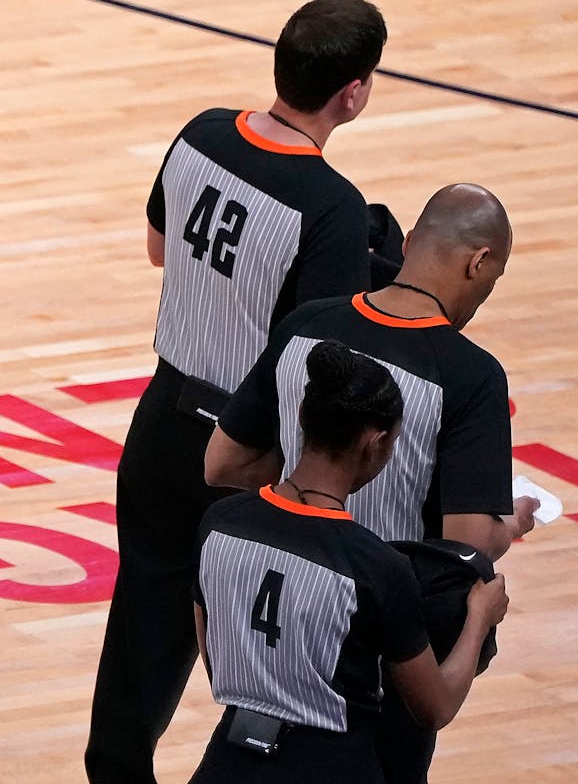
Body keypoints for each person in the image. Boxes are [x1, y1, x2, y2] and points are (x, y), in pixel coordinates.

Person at [85, 0, 388, 783]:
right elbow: (324, 361)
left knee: (143, 624)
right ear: (353, 92)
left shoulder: (202, 132)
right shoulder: (331, 206)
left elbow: (159, 248)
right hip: (251, 448)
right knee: (272, 652)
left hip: (161, 419)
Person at [204, 182, 538, 780]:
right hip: (386, 646)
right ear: (479, 262)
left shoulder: (309, 324)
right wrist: (508, 522)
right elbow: (466, 538)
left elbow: (223, 464)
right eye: (495, 277)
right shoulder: (471, 374)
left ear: (409, 243)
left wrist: (307, 484)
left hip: (277, 640)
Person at [189, 340, 509, 783]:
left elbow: (214, 658)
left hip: (228, 760)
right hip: (333, 766)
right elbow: (433, 708)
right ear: (375, 444)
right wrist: (479, 617)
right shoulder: (376, 566)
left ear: (302, 418)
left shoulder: (218, 523)